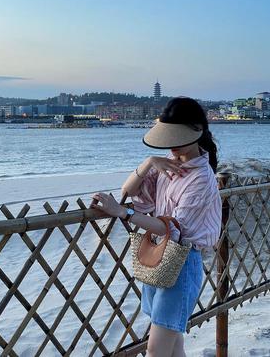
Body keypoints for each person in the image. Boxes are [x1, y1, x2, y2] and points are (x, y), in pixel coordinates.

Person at [91, 97, 222, 357]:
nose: (172, 146)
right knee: (173, 345)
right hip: (161, 257)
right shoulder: (167, 163)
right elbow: (127, 190)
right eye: (168, 139)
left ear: (197, 130)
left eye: (177, 138)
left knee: (156, 349)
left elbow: (171, 230)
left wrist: (122, 213)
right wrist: (149, 162)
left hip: (182, 262)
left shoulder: (201, 178)